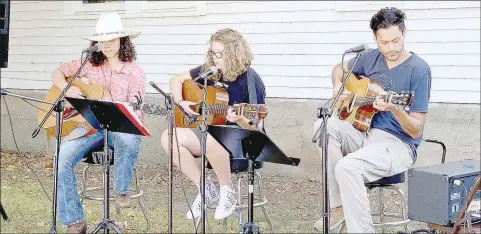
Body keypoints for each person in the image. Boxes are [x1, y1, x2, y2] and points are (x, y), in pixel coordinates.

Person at [313, 7, 432, 233]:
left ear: (405, 32)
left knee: (347, 167)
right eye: (384, 42)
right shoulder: (369, 58)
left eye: (395, 40)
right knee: (323, 127)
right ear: (375, 38)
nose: (391, 48)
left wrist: (395, 109)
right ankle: (338, 207)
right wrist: (338, 84)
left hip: (398, 144)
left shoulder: (418, 70)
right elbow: (339, 69)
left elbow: (416, 130)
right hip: (364, 132)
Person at [51, 12, 145, 233]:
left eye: (112, 39)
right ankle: (75, 222)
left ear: (123, 41)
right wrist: (67, 88)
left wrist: (125, 106)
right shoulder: (89, 64)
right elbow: (58, 72)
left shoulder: (134, 71)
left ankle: (121, 189)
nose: (107, 45)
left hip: (119, 128)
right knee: (61, 157)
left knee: (128, 137)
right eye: (102, 40)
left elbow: (137, 106)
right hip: (92, 127)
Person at [160, 28, 266, 220]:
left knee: (212, 134)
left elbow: (256, 128)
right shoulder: (210, 72)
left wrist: (240, 118)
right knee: (170, 137)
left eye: (219, 54)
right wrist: (181, 101)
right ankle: (205, 188)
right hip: (210, 136)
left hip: (244, 141)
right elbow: (176, 80)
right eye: (212, 52)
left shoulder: (251, 80)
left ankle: (227, 191)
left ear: (233, 53)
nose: (214, 57)